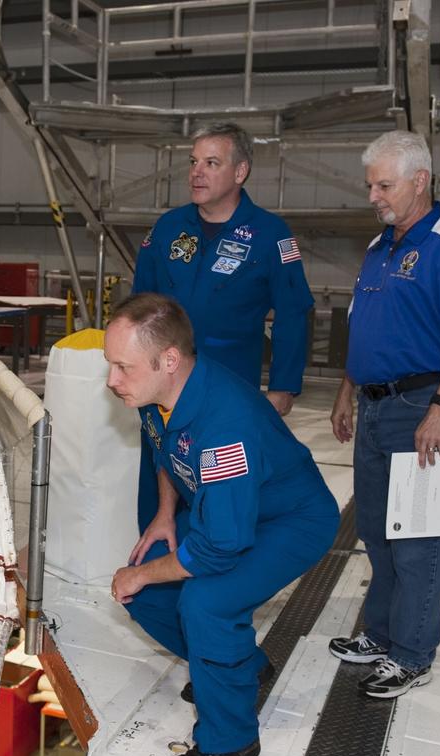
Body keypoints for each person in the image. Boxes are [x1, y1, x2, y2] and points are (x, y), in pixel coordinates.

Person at [105, 293, 338, 756]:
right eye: (111, 366)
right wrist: (165, 515)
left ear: (169, 360)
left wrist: (144, 571)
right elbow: (164, 448)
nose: (112, 381)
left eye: (122, 368)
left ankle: (231, 739)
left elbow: (218, 548)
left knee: (206, 602)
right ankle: (242, 668)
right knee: (143, 590)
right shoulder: (159, 394)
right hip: (232, 509)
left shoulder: (225, 425)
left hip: (290, 520)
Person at [327, 130, 440, 699]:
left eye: (384, 184)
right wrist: (347, 390)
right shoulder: (379, 249)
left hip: (424, 408)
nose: (374, 195)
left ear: (420, 181)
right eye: (370, 184)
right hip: (375, 408)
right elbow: (365, 329)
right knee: (376, 530)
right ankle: (381, 634)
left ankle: (413, 653)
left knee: (418, 538)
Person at [132, 121, 316, 529]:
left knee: (221, 495)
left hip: (230, 390)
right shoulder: (168, 229)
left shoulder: (270, 235)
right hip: (161, 388)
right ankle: (156, 574)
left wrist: (284, 387)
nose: (197, 171)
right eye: (194, 161)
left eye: (211, 163)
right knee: (158, 490)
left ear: (240, 172)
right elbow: (139, 306)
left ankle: (214, 581)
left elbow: (293, 311)